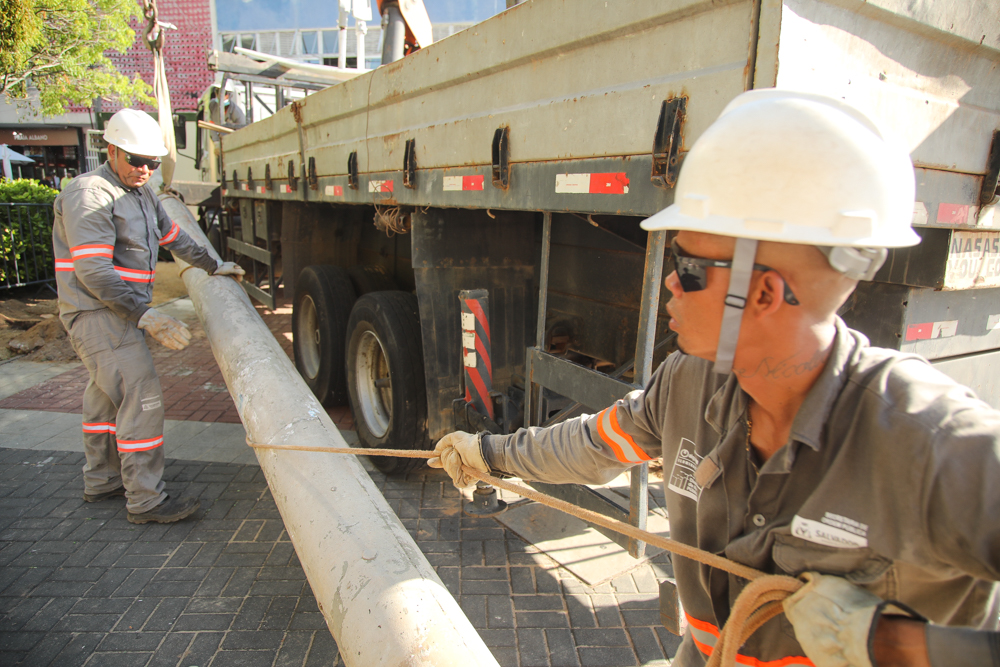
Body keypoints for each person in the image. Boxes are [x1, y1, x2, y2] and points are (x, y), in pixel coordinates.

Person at [430, 90, 1000, 667]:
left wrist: (891, 644)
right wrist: (489, 453)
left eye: (689, 268)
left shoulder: (934, 447)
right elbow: (595, 443)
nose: (671, 285)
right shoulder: (687, 384)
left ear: (764, 292)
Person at [52, 108, 245, 525]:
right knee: (143, 399)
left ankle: (102, 480)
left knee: (105, 398)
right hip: (98, 313)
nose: (144, 169)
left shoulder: (140, 194)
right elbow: (93, 271)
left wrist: (213, 264)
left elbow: (172, 236)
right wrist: (145, 315)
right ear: (111, 150)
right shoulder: (91, 194)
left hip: (114, 313)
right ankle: (146, 500)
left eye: (152, 163)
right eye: (135, 160)